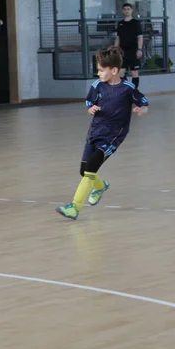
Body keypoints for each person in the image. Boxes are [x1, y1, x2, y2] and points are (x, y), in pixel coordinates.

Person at [56, 46, 149, 220]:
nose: (98, 73)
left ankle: (74, 208)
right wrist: (91, 108)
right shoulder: (97, 85)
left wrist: (140, 110)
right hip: (94, 132)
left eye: (101, 70)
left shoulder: (127, 88)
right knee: (84, 171)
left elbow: (144, 103)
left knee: (90, 169)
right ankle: (100, 187)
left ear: (114, 71)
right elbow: (89, 101)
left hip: (113, 135)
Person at [114, 3, 143, 89]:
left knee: (134, 72)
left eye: (128, 9)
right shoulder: (120, 24)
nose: (126, 11)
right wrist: (115, 48)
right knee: (121, 73)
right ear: (122, 11)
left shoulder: (136, 23)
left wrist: (139, 49)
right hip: (123, 51)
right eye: (125, 9)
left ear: (132, 10)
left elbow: (140, 37)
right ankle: (126, 90)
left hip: (133, 50)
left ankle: (134, 91)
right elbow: (118, 37)